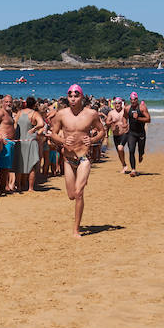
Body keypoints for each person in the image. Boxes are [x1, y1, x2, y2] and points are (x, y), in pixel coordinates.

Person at [48, 85, 106, 237]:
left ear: (81, 97)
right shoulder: (61, 115)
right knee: (71, 195)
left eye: (76, 96)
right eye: (70, 96)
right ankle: (78, 188)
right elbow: (52, 134)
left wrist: (92, 139)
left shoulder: (91, 114)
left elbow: (102, 131)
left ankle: (76, 229)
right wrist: (63, 141)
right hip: (68, 158)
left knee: (79, 193)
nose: (73, 99)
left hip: (84, 158)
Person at [15, 96, 44, 192]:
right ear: (34, 104)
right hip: (31, 140)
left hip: (20, 140)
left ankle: (18, 186)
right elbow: (41, 123)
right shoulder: (34, 114)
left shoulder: (19, 113)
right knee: (32, 165)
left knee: (19, 164)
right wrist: (34, 128)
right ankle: (30, 187)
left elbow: (15, 125)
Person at [0, 94, 18, 194]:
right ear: (2, 103)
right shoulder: (1, 112)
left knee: (6, 167)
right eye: (6, 102)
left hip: (11, 143)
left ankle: (5, 187)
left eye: (10, 102)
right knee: (4, 167)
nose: (8, 103)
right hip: (5, 143)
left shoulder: (9, 112)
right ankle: (2, 188)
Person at [124, 91, 151, 178]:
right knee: (131, 150)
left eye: (135, 100)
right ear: (130, 100)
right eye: (131, 100)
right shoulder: (127, 108)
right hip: (131, 133)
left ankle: (140, 155)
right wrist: (125, 124)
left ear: (137, 99)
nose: (133, 101)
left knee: (141, 150)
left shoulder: (142, 108)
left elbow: (148, 119)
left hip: (141, 133)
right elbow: (125, 117)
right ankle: (133, 170)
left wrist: (138, 118)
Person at [105, 98, 129, 173]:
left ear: (121, 103)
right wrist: (112, 122)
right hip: (116, 135)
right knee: (119, 152)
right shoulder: (111, 113)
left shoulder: (124, 111)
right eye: (116, 103)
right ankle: (124, 165)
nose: (117, 105)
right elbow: (107, 123)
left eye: (119, 103)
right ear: (114, 104)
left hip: (125, 133)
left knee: (120, 148)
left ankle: (125, 165)